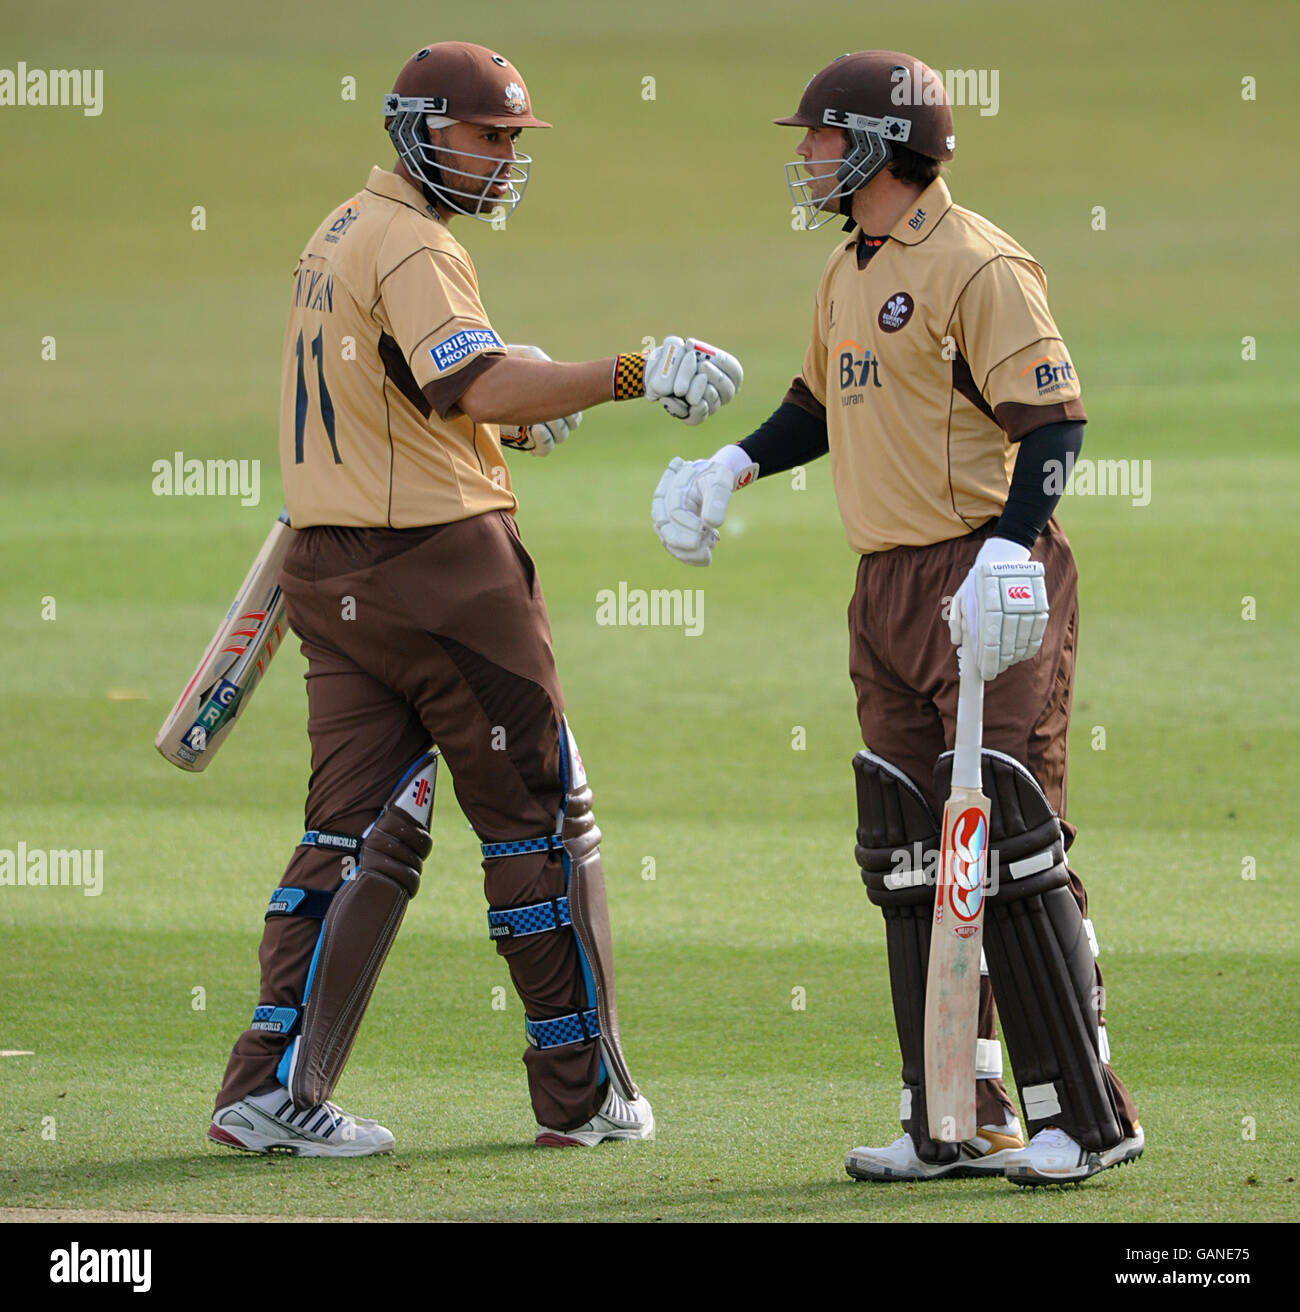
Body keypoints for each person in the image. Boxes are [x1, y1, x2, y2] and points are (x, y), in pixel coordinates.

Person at [208, 39, 742, 1157]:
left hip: (332, 571)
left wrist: (495, 410)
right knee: (538, 821)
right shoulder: (414, 245)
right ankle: (581, 1093)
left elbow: (417, 390)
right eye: (486, 138)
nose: (503, 160)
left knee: (353, 832)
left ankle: (267, 1088)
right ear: (419, 130)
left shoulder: (340, 229)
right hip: (445, 577)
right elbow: (472, 378)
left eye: (510, 142)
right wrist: (634, 373)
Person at [651, 50, 1142, 1186]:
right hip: (884, 588)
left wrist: (1009, 552)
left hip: (988, 576)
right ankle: (953, 1113)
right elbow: (822, 403)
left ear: (877, 145)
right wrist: (732, 463)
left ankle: (1087, 1113)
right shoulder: (847, 268)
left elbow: (1054, 426)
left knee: (1008, 841)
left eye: (820, 139)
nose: (806, 157)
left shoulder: (979, 262)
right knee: (912, 850)